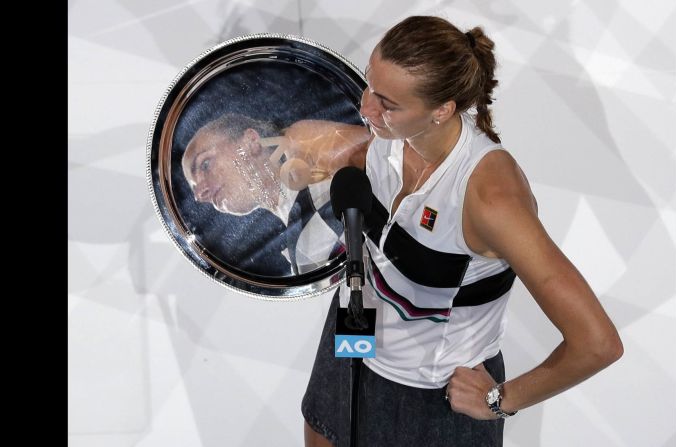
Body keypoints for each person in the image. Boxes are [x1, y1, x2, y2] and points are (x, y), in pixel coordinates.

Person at [301, 16, 623, 447]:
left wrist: (498, 399)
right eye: (368, 85)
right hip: (352, 340)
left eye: (387, 103)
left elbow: (597, 343)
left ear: (442, 109)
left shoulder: (491, 198)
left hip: (430, 397)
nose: (365, 108)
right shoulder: (385, 137)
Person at [181, 113, 368, 275]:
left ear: (251, 141)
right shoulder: (293, 241)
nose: (200, 194)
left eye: (205, 165)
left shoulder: (300, 144)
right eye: (194, 188)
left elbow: (388, 156)